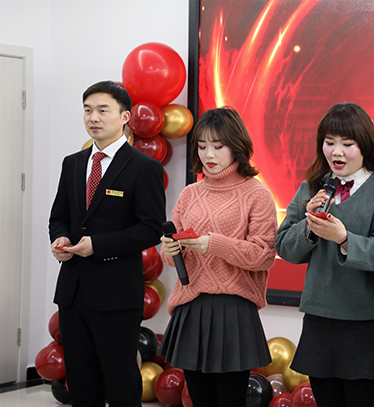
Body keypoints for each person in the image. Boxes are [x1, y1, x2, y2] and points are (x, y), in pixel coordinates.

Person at [275, 103, 374, 407]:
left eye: (347, 144)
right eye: (329, 142)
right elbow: (284, 247)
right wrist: (308, 225)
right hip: (321, 319)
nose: (337, 151)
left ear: (365, 146)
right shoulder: (312, 188)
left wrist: (344, 238)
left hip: (369, 322)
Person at [49, 80, 166, 407]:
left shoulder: (144, 167)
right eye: (88, 110)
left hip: (117, 294)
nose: (93, 118)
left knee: (120, 382)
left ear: (125, 116)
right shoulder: (73, 163)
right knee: (81, 383)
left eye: (103, 110)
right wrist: (60, 237)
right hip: (73, 292)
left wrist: (98, 245)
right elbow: (58, 217)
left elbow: (150, 229)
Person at [158, 107, 277, 407]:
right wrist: (170, 250)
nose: (208, 154)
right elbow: (172, 257)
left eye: (218, 146)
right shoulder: (189, 194)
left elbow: (263, 255)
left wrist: (214, 244)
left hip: (233, 310)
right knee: (199, 400)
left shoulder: (257, 193)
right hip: (191, 307)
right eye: (201, 146)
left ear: (236, 146)